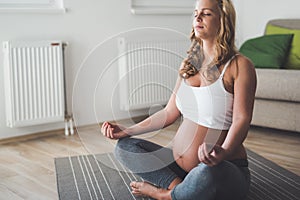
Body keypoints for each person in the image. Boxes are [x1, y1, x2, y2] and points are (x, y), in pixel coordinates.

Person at [101, 0, 257, 199]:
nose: (198, 18)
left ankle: (164, 195)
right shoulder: (189, 64)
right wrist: (127, 130)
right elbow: (169, 113)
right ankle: (179, 188)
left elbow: (241, 120)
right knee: (125, 148)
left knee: (207, 173)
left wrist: (224, 151)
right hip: (181, 169)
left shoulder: (240, 65)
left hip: (221, 168)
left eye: (206, 13)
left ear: (223, 20)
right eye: (195, 13)